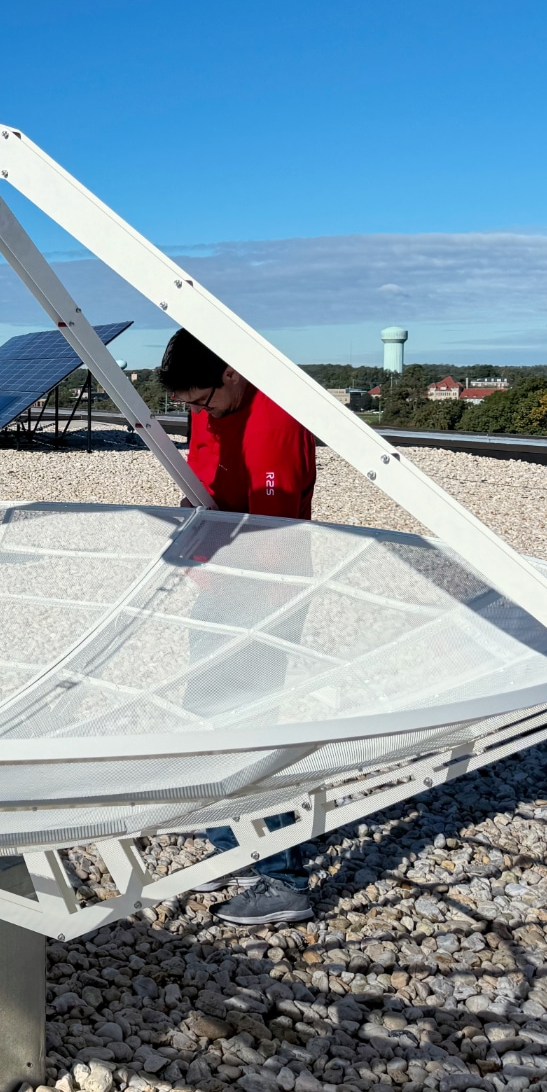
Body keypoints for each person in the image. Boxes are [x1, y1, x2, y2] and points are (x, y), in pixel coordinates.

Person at [158, 328, 319, 927]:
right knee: (207, 720)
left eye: (202, 402)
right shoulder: (211, 407)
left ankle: (281, 878)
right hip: (221, 585)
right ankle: (238, 846)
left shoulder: (276, 421)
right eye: (188, 408)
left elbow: (273, 534)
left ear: (231, 373)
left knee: (243, 728)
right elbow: (205, 483)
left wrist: (233, 579)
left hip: (262, 595)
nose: (198, 416)